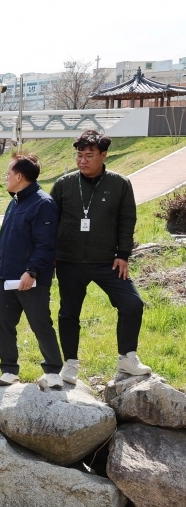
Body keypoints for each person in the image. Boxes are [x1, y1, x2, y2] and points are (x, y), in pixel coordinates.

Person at [52, 130, 151, 384]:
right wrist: (50, 254)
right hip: (69, 261)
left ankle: (127, 358)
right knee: (68, 313)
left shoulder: (120, 183)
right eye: (79, 155)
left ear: (104, 155)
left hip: (108, 262)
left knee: (132, 304)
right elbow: (49, 221)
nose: (82, 161)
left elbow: (127, 220)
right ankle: (70, 364)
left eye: (89, 155)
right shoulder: (64, 184)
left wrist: (123, 254)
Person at [0, 153, 63, 389]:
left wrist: (31, 271)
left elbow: (46, 244)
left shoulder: (42, 203)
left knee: (40, 324)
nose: (6, 178)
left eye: (8, 174)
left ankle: (53, 371)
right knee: (4, 325)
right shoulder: (14, 202)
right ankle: (8, 370)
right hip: (6, 276)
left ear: (20, 176)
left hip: (30, 279)